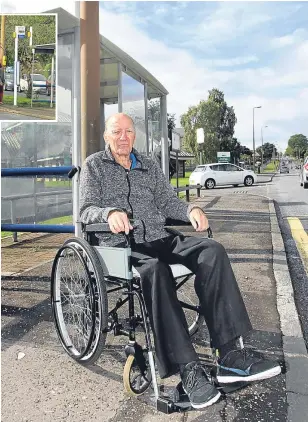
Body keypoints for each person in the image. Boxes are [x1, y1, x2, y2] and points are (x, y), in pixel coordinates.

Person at [79, 113, 281, 410]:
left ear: (135, 135)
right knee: (156, 271)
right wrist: (108, 214)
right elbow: (86, 210)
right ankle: (187, 368)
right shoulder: (94, 165)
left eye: (128, 132)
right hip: (121, 244)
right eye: (116, 132)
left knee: (212, 251)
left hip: (160, 237)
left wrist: (190, 210)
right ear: (107, 136)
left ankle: (229, 355)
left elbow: (168, 202)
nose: (123, 137)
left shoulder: (147, 165)